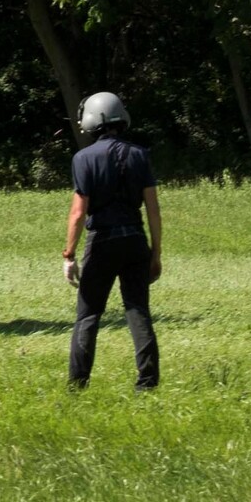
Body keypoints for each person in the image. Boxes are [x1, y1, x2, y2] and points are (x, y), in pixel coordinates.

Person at [61, 91, 160, 392]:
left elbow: (78, 213)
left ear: (91, 120)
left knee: (88, 314)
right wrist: (156, 253)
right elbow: (153, 210)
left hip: (102, 241)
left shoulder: (83, 159)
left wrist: (69, 255)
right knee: (138, 310)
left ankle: (78, 385)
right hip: (135, 239)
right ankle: (147, 384)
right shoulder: (140, 155)